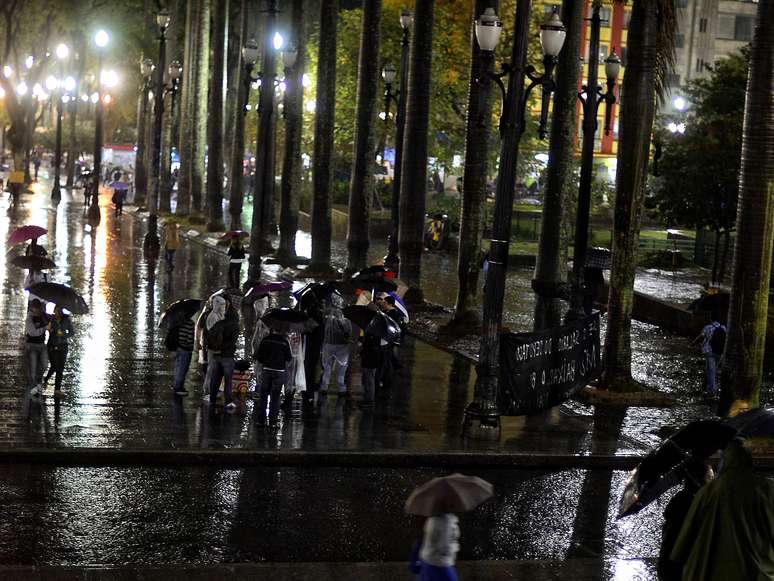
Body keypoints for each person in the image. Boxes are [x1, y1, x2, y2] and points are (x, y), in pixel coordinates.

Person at [671, 439, 774, 580]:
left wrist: (678, 555)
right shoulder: (766, 487)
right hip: (755, 568)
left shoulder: (709, 491)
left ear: (724, 463)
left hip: (715, 570)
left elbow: (690, 528)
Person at [657, 459, 714, 580]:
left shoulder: (682, 500)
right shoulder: (693, 504)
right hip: (681, 569)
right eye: (709, 477)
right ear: (698, 480)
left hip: (671, 567)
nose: (712, 481)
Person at [203, 295, 240, 412]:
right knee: (228, 381)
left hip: (217, 355)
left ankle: (212, 399)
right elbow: (232, 341)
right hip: (227, 356)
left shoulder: (220, 323)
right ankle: (228, 401)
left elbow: (210, 335)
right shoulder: (234, 326)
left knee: (216, 378)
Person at [255, 327, 292, 428]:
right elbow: (289, 358)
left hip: (266, 370)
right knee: (275, 397)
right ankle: (273, 422)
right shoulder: (284, 342)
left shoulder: (265, 340)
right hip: (279, 372)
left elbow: (259, 357)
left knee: (263, 396)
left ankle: (261, 421)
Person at [319, 294, 354, 397]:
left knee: (327, 368)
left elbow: (323, 328)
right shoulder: (346, 317)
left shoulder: (327, 315)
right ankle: (341, 389)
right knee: (342, 370)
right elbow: (349, 332)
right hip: (342, 347)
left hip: (328, 345)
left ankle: (324, 387)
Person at [410, 513, 460, 581]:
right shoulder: (446, 521)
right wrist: (455, 546)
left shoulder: (431, 519)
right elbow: (444, 548)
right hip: (440, 564)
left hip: (426, 561)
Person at [690, 311, 726, 398]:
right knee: (712, 370)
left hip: (709, 352)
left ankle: (712, 392)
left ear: (711, 318)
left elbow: (700, 337)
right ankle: (705, 386)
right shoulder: (724, 327)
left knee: (711, 372)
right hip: (720, 352)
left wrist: (692, 344)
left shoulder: (708, 327)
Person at [43, 305, 73, 397]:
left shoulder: (66, 320)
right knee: (55, 366)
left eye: (59, 311)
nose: (57, 313)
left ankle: (57, 390)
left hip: (63, 346)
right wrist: (48, 328)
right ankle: (46, 379)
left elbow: (72, 332)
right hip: (52, 346)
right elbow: (45, 327)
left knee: (60, 369)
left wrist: (63, 334)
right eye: (56, 311)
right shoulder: (50, 319)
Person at [25, 299, 49, 397]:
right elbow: (32, 333)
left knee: (44, 364)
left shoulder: (43, 315)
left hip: (42, 344)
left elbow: (50, 319)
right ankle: (33, 388)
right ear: (32, 308)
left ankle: (37, 383)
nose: (38, 310)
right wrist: (45, 328)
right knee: (33, 368)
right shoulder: (29, 318)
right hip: (32, 346)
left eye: (39, 308)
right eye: (36, 308)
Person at [249, 296, 270, 398]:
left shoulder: (262, 322)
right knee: (261, 372)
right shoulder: (267, 320)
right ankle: (262, 392)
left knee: (260, 372)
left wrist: (255, 352)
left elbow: (256, 340)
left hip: (261, 353)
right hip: (265, 353)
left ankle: (260, 392)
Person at [171, 314, 196, 396]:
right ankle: (178, 387)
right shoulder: (190, 323)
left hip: (178, 347)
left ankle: (176, 384)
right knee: (183, 369)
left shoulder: (178, 322)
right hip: (186, 349)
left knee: (178, 367)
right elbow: (189, 338)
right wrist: (192, 347)